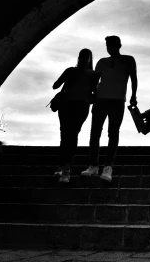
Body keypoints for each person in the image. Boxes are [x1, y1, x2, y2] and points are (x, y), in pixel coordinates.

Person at [81, 36, 137, 182]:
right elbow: (95, 80)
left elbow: (134, 78)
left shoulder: (129, 59)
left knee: (113, 133)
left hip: (118, 101)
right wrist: (92, 94)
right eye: (107, 45)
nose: (109, 48)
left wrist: (134, 95)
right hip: (100, 100)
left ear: (119, 45)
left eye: (111, 45)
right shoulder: (101, 62)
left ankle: (108, 167)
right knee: (95, 133)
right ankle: (93, 166)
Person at [52, 49, 99, 183]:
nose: (83, 59)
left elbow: (55, 85)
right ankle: (65, 168)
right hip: (79, 106)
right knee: (70, 135)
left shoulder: (71, 71)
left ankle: (64, 167)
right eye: (82, 57)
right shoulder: (92, 74)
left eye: (84, 57)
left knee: (67, 134)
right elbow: (95, 94)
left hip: (70, 105)